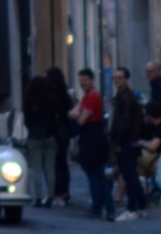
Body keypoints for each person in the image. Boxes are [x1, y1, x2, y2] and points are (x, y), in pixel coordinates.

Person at [70, 69, 111, 220]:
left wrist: (77, 114)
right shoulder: (87, 96)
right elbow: (74, 112)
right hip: (91, 137)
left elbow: (80, 119)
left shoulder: (93, 97)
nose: (82, 83)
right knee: (96, 175)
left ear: (92, 80)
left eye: (85, 80)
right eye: (81, 80)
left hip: (93, 138)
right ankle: (102, 207)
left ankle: (100, 207)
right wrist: (77, 113)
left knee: (96, 175)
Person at [108, 67, 147, 220]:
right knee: (131, 175)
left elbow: (123, 123)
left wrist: (118, 142)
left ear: (126, 80)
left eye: (120, 78)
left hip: (126, 142)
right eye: (115, 78)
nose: (117, 80)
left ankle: (132, 207)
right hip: (129, 141)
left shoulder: (125, 97)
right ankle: (141, 205)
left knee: (128, 175)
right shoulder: (124, 96)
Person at [22, 75, 58, 207]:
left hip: (34, 137)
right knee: (50, 168)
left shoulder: (29, 101)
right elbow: (54, 119)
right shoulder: (51, 99)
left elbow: (27, 121)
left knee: (36, 168)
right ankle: (50, 197)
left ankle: (38, 197)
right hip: (50, 136)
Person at [45, 67, 74, 204]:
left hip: (55, 132)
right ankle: (65, 192)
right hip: (64, 132)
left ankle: (58, 192)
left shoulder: (51, 95)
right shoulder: (65, 94)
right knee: (62, 163)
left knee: (55, 163)